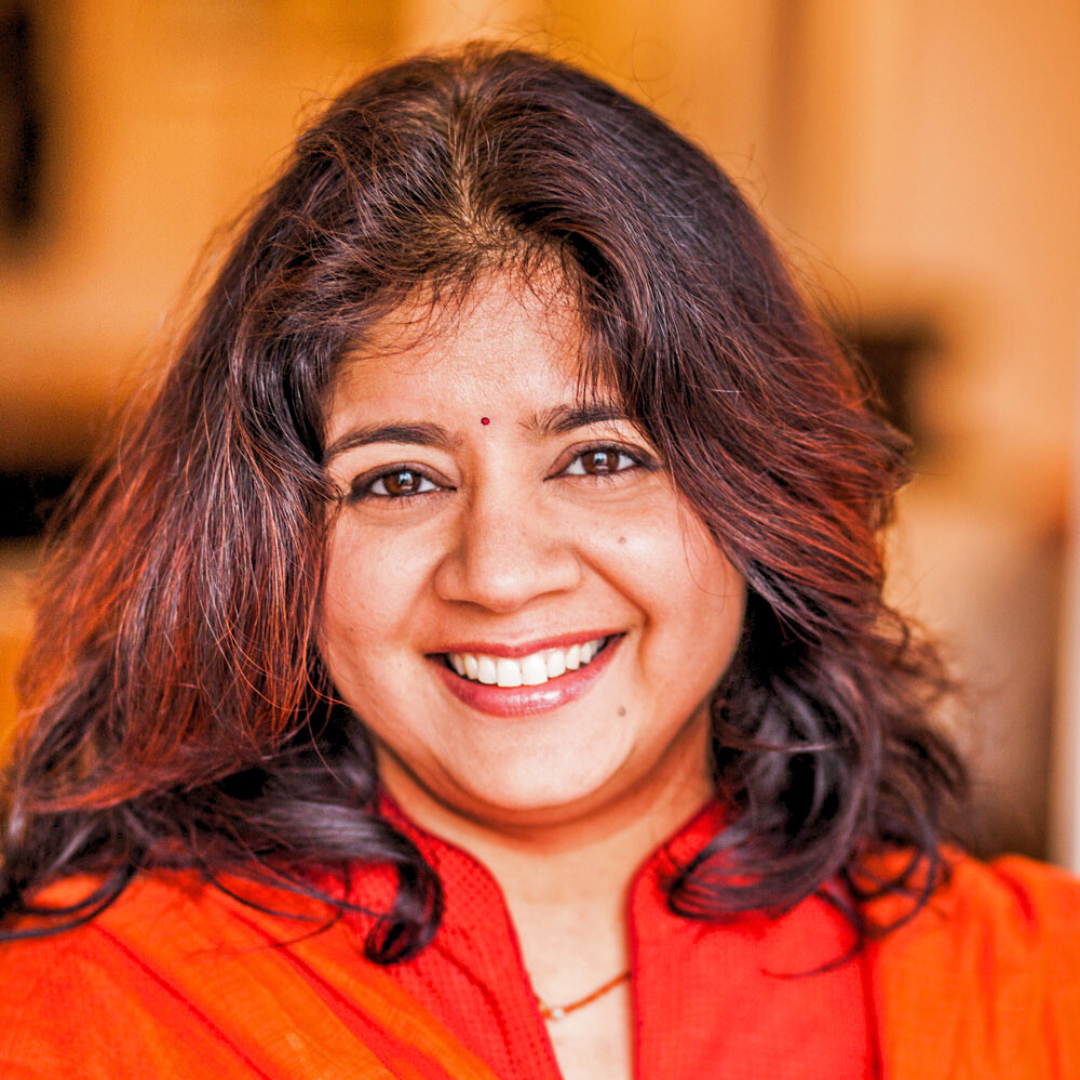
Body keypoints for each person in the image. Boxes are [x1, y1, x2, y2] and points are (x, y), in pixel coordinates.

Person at [0, 43, 1077, 1080]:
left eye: (601, 458)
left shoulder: (1029, 992)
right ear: (270, 545)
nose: (501, 575)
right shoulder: (81, 1016)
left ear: (760, 496)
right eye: (399, 479)